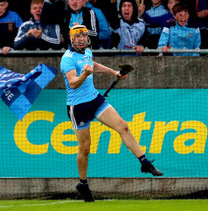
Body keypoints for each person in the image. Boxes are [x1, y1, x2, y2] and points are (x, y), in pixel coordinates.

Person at [60, 24, 162, 202]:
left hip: (94, 99)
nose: (82, 39)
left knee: (123, 126)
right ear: (72, 39)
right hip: (78, 107)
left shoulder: (87, 52)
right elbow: (73, 82)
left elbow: (93, 65)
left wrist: (113, 72)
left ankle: (144, 162)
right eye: (78, 37)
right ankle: (83, 183)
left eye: (84, 35)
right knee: (85, 149)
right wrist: (84, 75)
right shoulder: (67, 59)